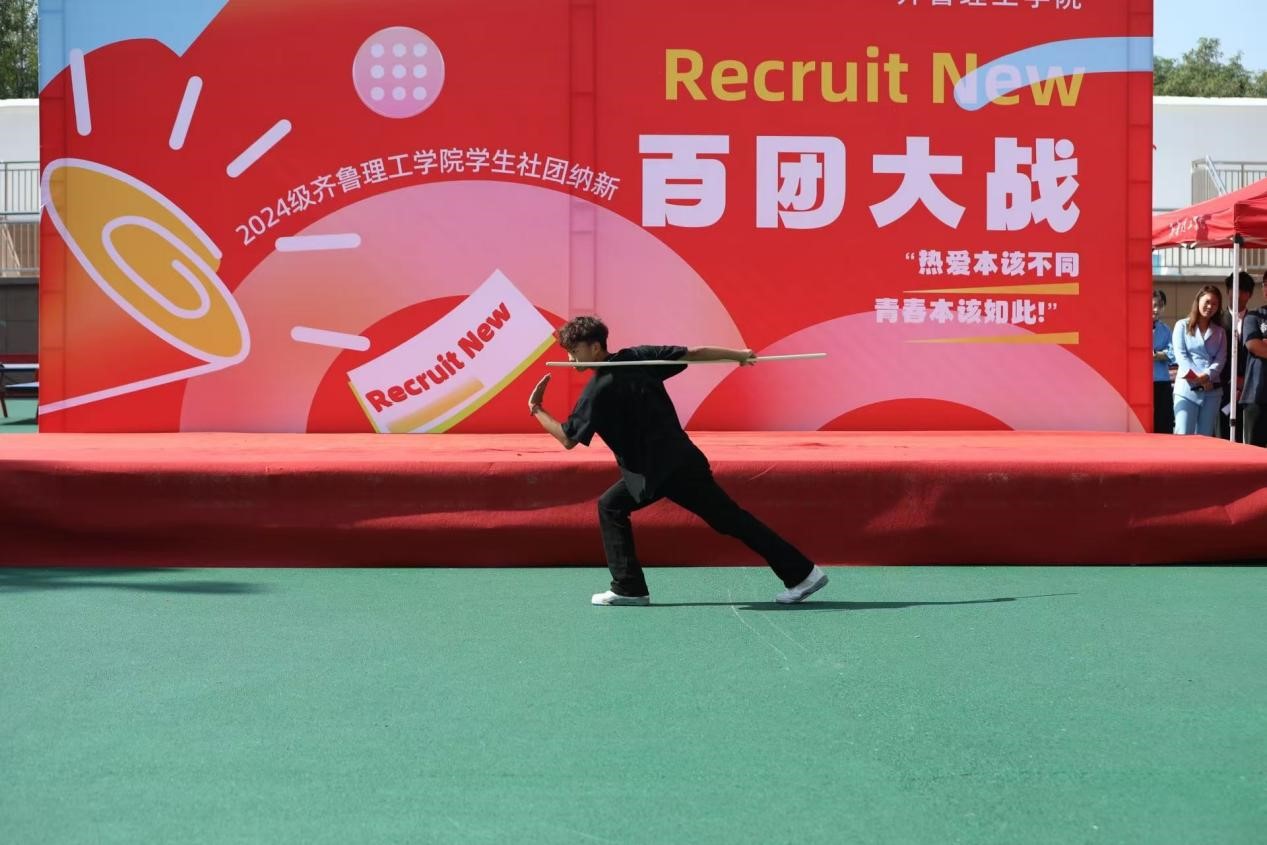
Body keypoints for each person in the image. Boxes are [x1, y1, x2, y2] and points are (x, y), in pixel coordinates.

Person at [527, 315, 827, 606]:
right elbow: (694, 354)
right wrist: (737, 355)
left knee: (611, 507)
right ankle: (803, 574)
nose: (570, 359)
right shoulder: (640, 357)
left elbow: (567, 439)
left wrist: (536, 408)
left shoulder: (597, 392)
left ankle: (629, 588)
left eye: (574, 351)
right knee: (730, 520)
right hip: (682, 461)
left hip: (655, 472)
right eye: (568, 352)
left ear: (595, 347)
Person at [1172, 285, 1227, 437]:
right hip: (1187, 389)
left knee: (1205, 438)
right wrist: (1198, 378)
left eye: (1215, 304)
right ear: (1198, 300)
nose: (1210, 307)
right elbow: (1181, 356)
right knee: (1183, 435)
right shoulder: (1181, 325)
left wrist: (1208, 375)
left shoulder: (1220, 331)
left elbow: (1221, 359)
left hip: (1212, 391)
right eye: (1207, 302)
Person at [1220, 271, 1256, 441]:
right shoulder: (1217, 320)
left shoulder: (1257, 320)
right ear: (1227, 291)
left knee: (1249, 440)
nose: (1238, 294)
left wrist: (1244, 382)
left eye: (1243, 291)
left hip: (1250, 391)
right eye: (1234, 289)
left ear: (1249, 295)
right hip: (1222, 391)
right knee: (1222, 438)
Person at [1238, 271, 1267, 447]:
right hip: (1256, 395)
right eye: (1265, 284)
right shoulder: (1253, 316)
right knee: (1255, 452)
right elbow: (1254, 346)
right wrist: (1261, 344)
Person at [1152, 290, 1175, 435]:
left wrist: (1156, 354)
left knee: (1164, 423)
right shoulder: (1135, 326)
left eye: (1160, 306)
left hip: (1161, 381)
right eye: (1153, 305)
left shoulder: (1166, 330)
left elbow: (1173, 353)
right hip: (1141, 383)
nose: (1156, 310)